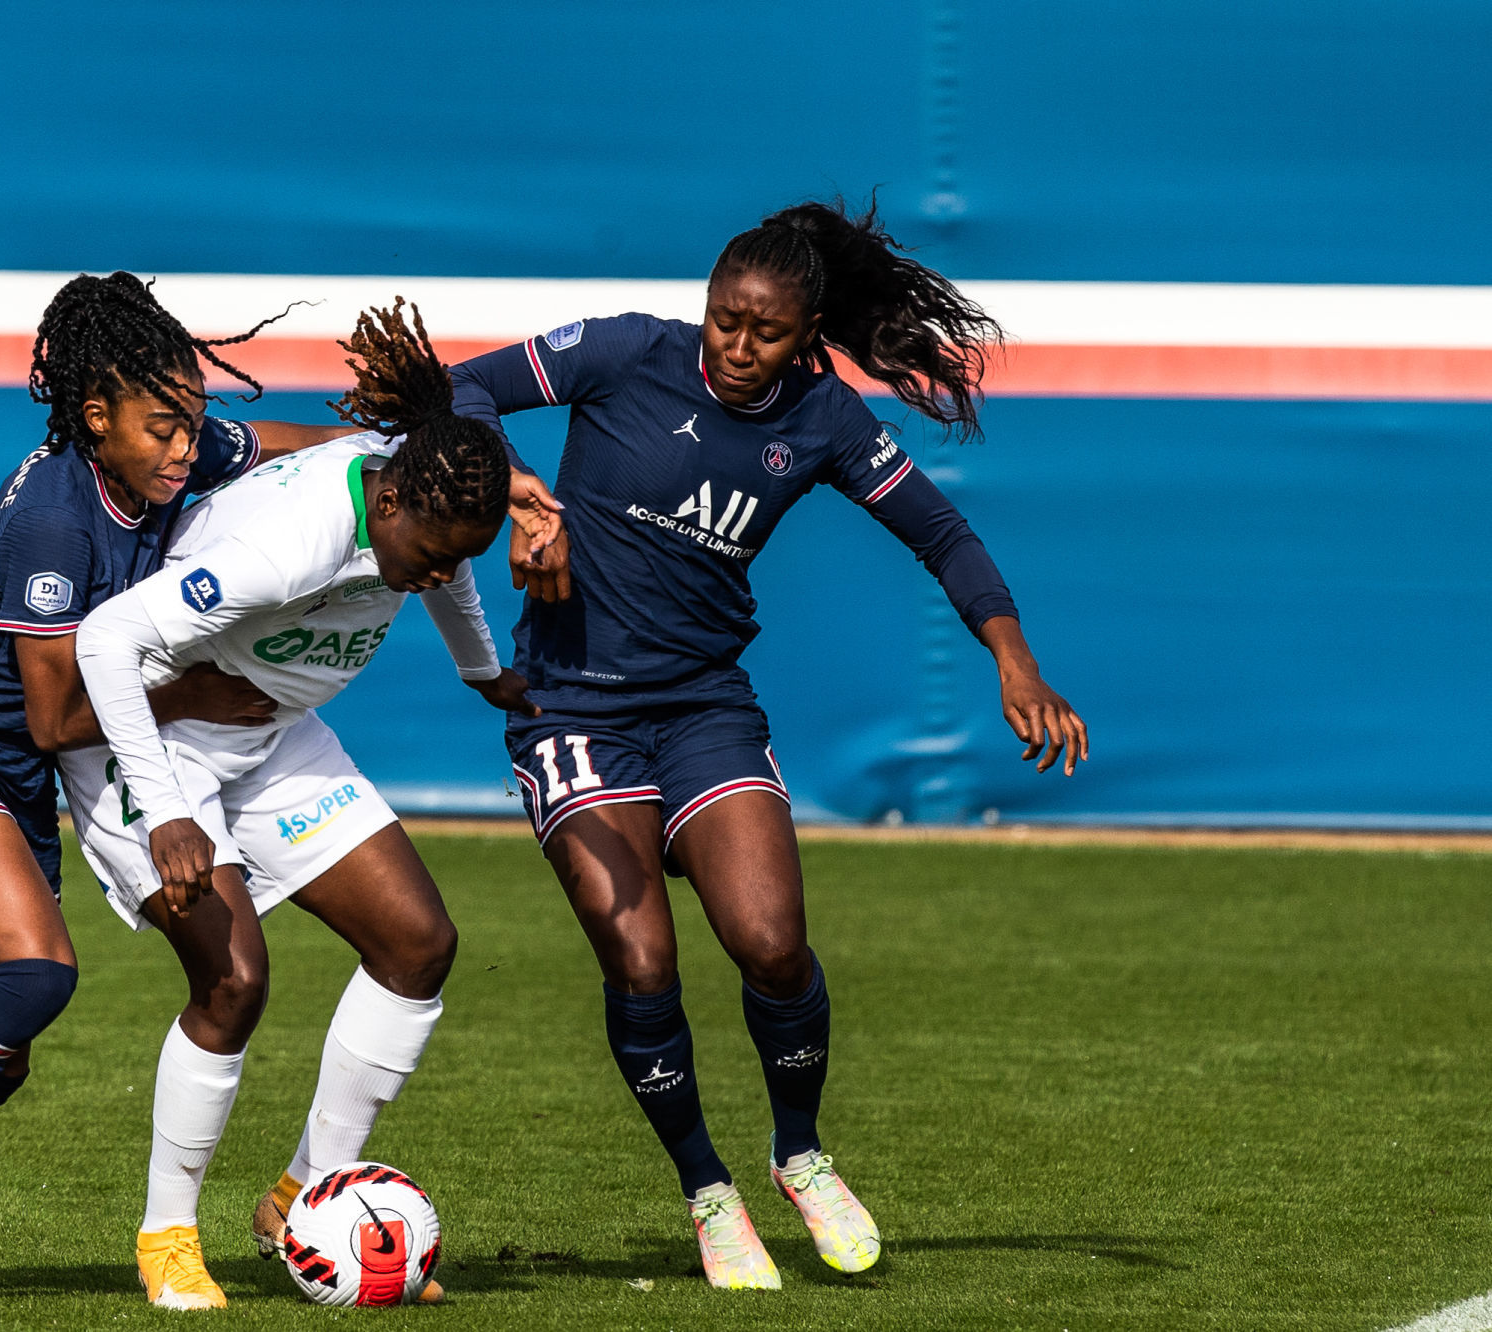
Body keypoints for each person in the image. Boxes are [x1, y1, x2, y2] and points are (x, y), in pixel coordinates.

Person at [0, 272, 563, 1256]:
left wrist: (420, 459)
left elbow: (296, 450)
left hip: (26, 783)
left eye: (191, 422)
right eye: (164, 426)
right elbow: (52, 715)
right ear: (94, 416)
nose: (187, 446)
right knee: (35, 979)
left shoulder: (178, 449)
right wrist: (197, 699)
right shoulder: (55, 515)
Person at [448, 199, 1090, 1290]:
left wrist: (1013, 658)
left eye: (766, 332)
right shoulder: (622, 352)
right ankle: (707, 1190)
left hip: (702, 706)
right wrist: (518, 493)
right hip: (571, 708)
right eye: (723, 321)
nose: (737, 348)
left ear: (807, 333)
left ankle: (800, 1155)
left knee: (770, 944)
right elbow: (462, 390)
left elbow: (939, 531)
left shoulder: (829, 419)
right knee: (641, 961)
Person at [72, 300, 534, 1310]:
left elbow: (444, 576)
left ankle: (303, 1195)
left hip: (271, 736)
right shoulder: (291, 544)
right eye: (432, 549)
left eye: (462, 553)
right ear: (393, 501)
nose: (442, 571)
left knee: (418, 941)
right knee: (234, 981)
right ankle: (165, 1239)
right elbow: (105, 642)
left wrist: (483, 673)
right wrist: (166, 812)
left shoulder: (418, 501)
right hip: (163, 747)